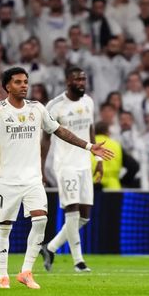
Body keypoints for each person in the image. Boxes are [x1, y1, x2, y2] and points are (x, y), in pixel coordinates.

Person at [0, 67, 113, 290]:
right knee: (4, 229)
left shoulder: (37, 108)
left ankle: (26, 272)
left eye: (25, 81)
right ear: (7, 86)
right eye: (18, 82)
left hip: (33, 180)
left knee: (41, 220)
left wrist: (89, 146)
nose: (24, 85)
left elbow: (60, 130)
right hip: (6, 180)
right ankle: (3, 276)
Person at [39, 67, 102, 273]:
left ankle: (50, 248)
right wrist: (40, 168)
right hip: (65, 165)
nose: (81, 83)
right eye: (77, 79)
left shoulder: (88, 101)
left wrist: (98, 158)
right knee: (72, 211)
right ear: (68, 81)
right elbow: (46, 139)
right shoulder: (54, 105)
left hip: (85, 164)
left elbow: (91, 129)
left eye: (83, 79)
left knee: (84, 216)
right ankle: (78, 261)